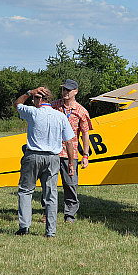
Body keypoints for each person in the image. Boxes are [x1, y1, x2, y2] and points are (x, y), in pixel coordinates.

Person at [13, 86, 75, 237]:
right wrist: (71, 163)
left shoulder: (33, 113)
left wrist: (28, 93)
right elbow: (69, 142)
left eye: (35, 98)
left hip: (33, 155)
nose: (33, 102)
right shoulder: (60, 116)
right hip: (53, 158)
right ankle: (50, 232)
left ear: (39, 99)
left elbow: (17, 104)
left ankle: (24, 227)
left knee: (26, 191)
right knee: (51, 195)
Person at [47, 79, 92, 224]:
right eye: (63, 89)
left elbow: (85, 134)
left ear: (75, 92)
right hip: (52, 151)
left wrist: (85, 155)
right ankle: (47, 212)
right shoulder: (53, 106)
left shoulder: (81, 111)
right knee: (49, 183)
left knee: (70, 184)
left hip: (70, 154)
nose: (65, 92)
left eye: (68, 90)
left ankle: (70, 214)